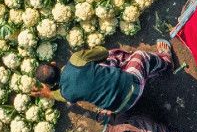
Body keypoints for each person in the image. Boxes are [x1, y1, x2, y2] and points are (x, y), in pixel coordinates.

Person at [32, 42, 173, 114]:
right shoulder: (76, 60)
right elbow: (103, 52)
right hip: (133, 86)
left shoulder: (66, 93)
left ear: (50, 84)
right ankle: (166, 61)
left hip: (120, 108)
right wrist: (92, 50)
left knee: (104, 67)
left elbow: (57, 95)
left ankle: (144, 73)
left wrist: (47, 93)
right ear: (54, 63)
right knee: (140, 55)